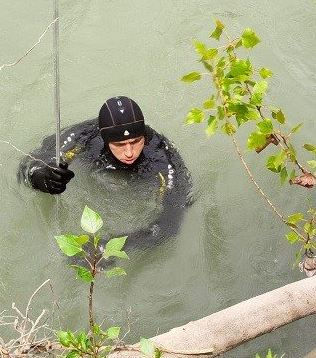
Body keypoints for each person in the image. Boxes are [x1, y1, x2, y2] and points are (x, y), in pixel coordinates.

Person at [19, 96, 192, 250]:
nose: (130, 152)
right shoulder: (84, 136)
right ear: (104, 139)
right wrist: (42, 178)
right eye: (119, 145)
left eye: (136, 141)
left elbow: (170, 222)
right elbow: (30, 164)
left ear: (144, 136)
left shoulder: (161, 155)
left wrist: (111, 249)